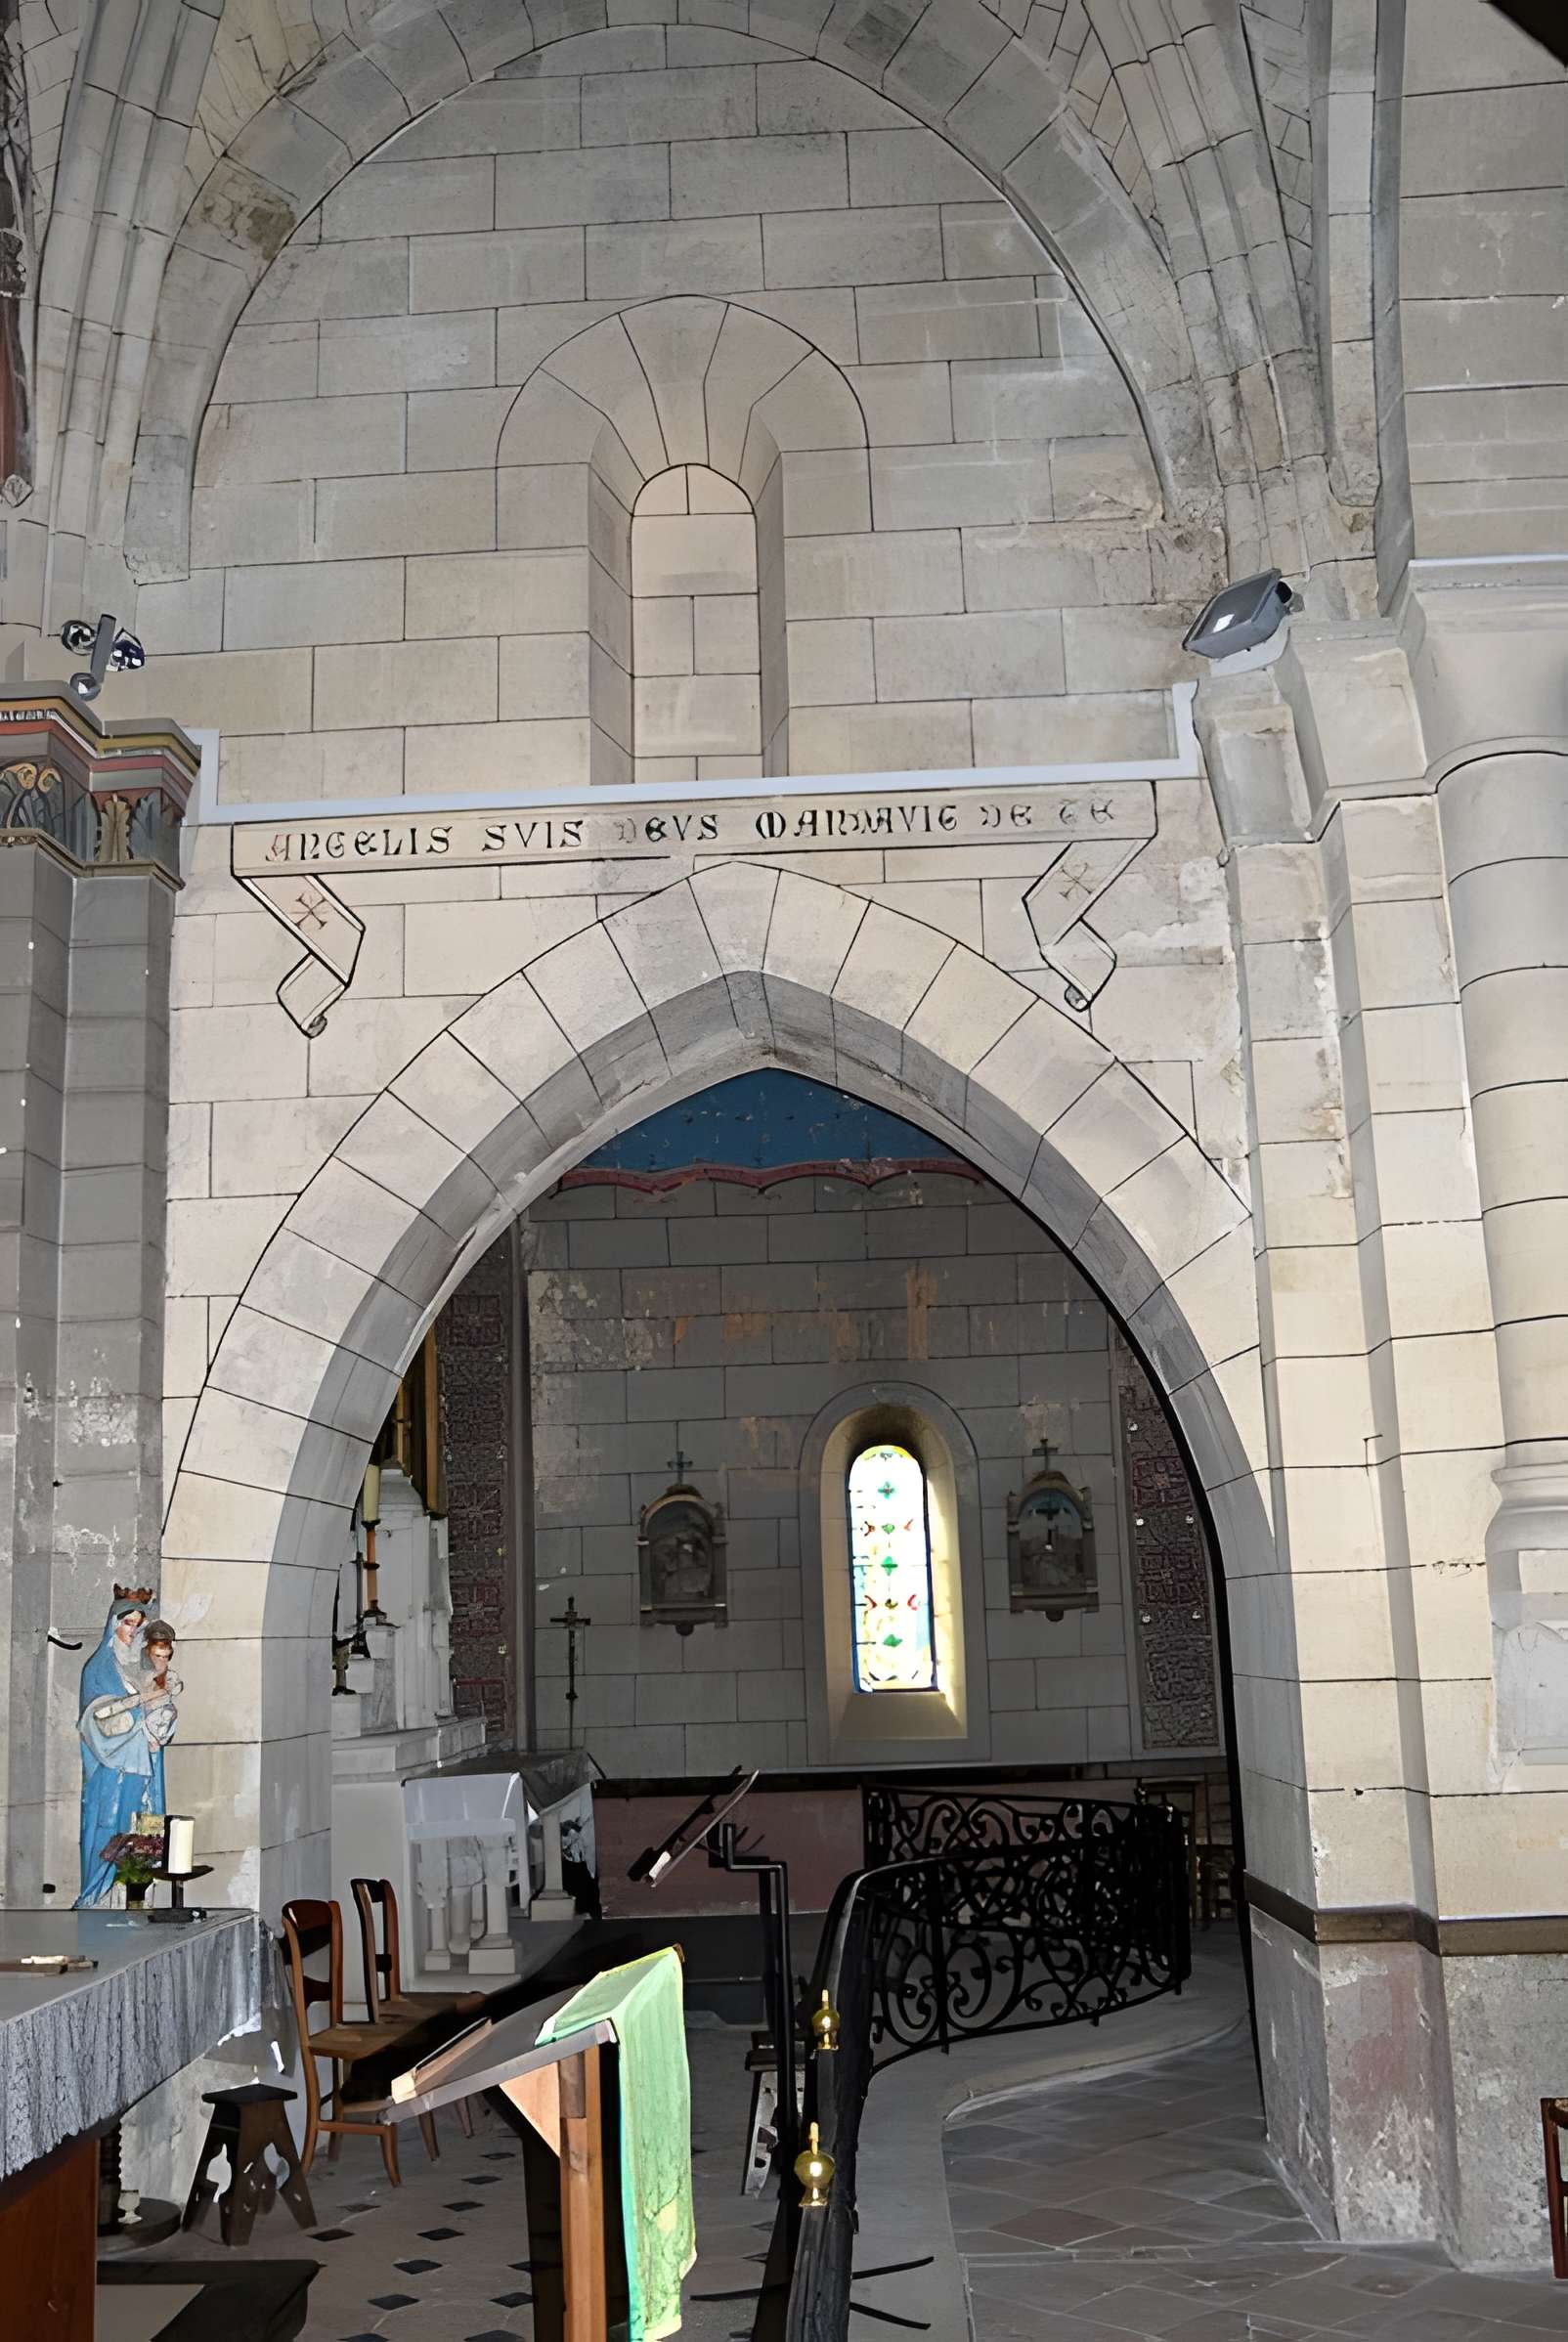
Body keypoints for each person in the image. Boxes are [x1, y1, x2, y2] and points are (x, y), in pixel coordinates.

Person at [74, 1591, 178, 1906]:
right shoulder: (98, 1669)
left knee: (143, 1832)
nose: (132, 1630)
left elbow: (156, 1711)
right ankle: (98, 1897)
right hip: (112, 1772)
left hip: (143, 1764)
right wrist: (140, 1708)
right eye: (127, 1623)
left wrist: (161, 1719)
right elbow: (96, 1722)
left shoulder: (139, 1666)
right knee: (110, 1830)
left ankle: (138, 1898)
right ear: (113, 1624)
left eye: (137, 1624)